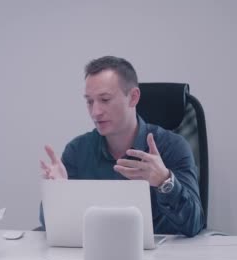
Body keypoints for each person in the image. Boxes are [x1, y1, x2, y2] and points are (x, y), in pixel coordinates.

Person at [40, 55, 203, 237]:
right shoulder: (77, 151)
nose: (95, 112)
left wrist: (165, 182)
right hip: (96, 255)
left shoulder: (172, 146)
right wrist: (58, 193)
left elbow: (194, 224)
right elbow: (50, 226)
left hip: (163, 258)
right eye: (90, 101)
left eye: (105, 99)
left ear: (133, 98)